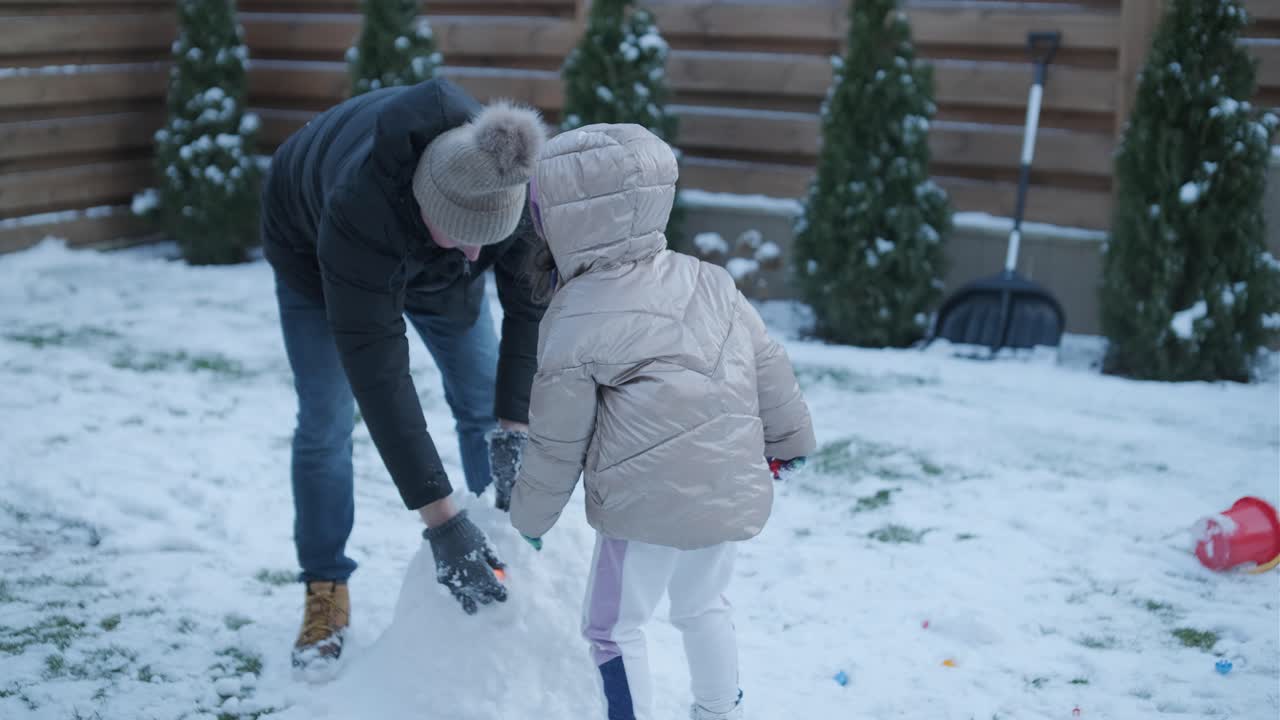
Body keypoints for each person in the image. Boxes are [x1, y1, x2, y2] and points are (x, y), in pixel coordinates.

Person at [509, 124, 816, 720]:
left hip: (643, 507)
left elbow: (556, 438)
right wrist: (790, 442)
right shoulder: (709, 279)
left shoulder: (573, 313)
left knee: (611, 629)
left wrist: (531, 515)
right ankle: (719, 711)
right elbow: (768, 365)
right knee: (703, 605)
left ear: (562, 221)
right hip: (729, 486)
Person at [260, 77, 546, 675]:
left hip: (431, 266)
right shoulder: (357, 210)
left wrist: (515, 427)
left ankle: (503, 555)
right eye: (466, 238)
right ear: (428, 208)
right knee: (328, 419)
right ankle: (325, 592)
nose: (477, 257)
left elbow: (528, 312)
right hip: (316, 250)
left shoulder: (509, 191)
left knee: (484, 397)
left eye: (486, 241)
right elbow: (382, 377)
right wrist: (440, 522)